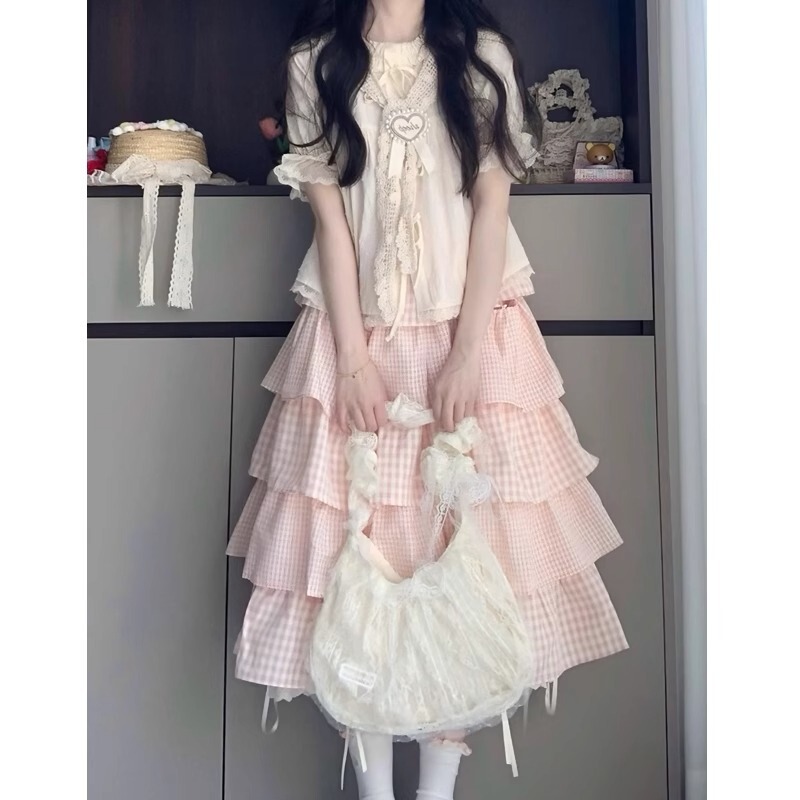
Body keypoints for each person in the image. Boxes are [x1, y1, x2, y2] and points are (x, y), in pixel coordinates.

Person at [227, 1, 628, 798]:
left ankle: (437, 789)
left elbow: (492, 207)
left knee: (467, 557)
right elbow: (331, 225)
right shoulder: (317, 63)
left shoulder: (479, 57)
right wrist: (352, 362)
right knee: (356, 558)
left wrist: (468, 355)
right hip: (357, 337)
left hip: (469, 332)